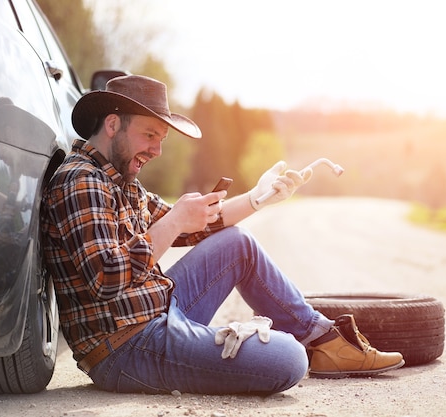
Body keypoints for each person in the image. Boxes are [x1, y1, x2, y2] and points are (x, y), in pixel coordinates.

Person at [40, 75, 404, 395]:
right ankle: (298, 349)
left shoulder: (121, 182)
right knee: (289, 359)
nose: (157, 149)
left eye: (162, 138)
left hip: (157, 311)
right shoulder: (81, 180)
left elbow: (199, 223)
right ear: (113, 124)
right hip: (125, 347)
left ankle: (325, 342)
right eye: (150, 134)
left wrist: (259, 197)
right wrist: (173, 222)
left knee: (238, 243)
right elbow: (105, 279)